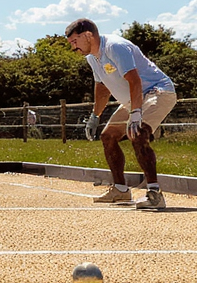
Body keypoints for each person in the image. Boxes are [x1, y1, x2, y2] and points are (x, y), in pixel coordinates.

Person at [66, 18, 177, 210]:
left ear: (88, 35)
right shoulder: (93, 58)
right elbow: (102, 88)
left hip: (157, 92)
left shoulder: (115, 47)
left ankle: (154, 193)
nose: (73, 47)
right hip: (134, 98)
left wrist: (135, 114)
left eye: (75, 41)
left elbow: (134, 80)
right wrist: (95, 116)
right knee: (108, 136)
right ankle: (120, 190)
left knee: (138, 132)